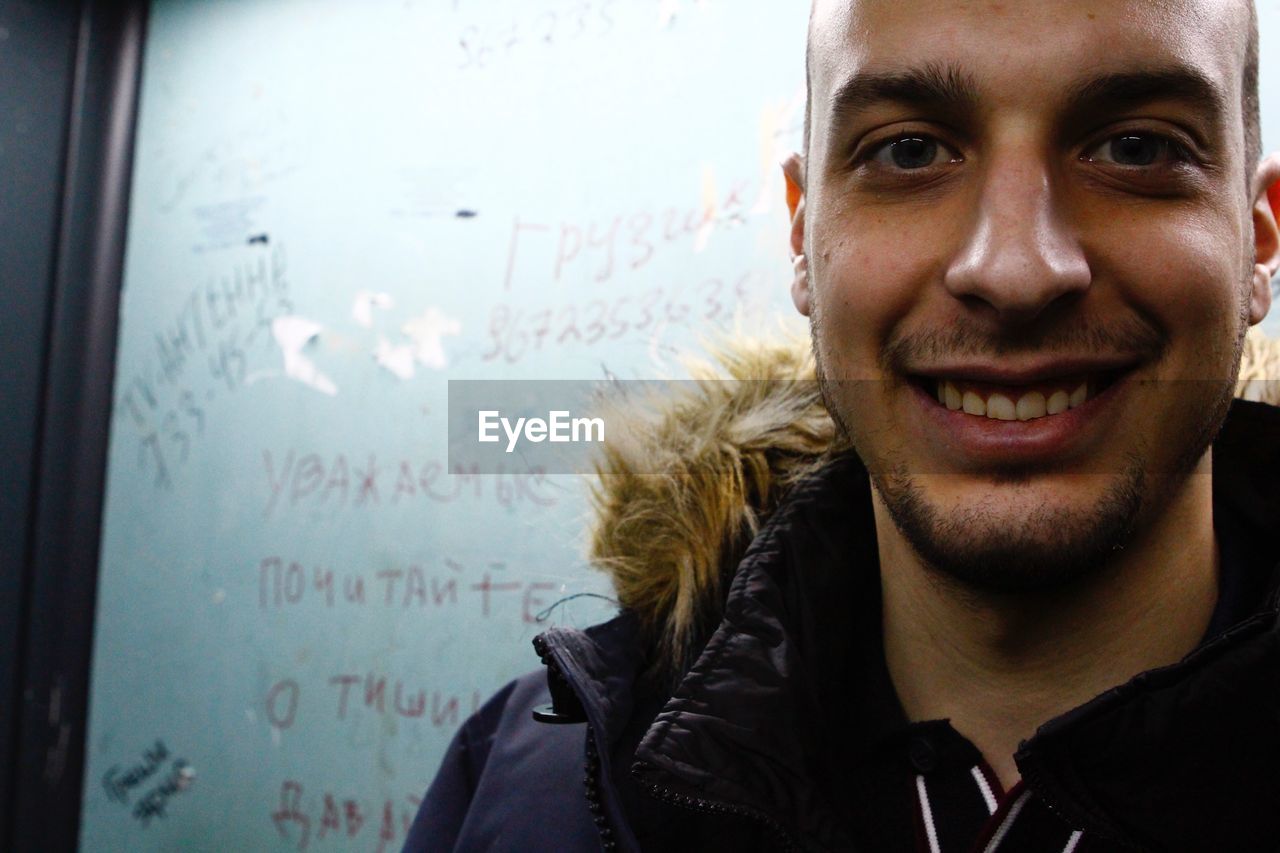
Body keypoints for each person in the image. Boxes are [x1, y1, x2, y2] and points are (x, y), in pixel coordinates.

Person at [407, 0, 1280, 849]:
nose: (1014, 269)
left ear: (1257, 238)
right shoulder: (526, 785)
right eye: (910, 151)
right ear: (801, 234)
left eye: (1136, 148)